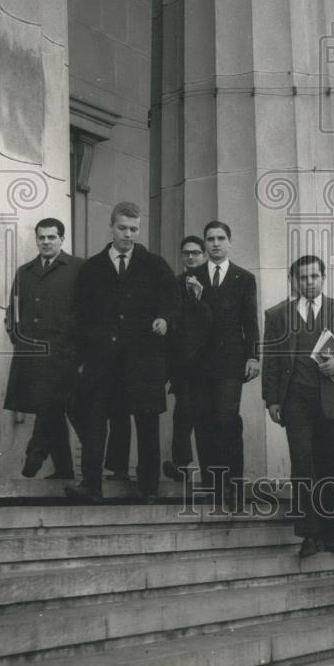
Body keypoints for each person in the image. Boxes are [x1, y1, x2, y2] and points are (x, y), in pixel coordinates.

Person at [65, 201, 176, 503]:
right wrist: (84, 358)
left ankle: (149, 488)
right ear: (111, 226)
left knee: (147, 424)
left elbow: (174, 301)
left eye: (134, 229)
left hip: (144, 362)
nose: (128, 234)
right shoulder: (92, 267)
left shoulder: (154, 265)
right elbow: (80, 314)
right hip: (103, 363)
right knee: (95, 421)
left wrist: (165, 319)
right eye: (123, 228)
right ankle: (91, 484)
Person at [262, 255, 334, 558]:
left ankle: (329, 532)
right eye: (302, 278)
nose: (308, 283)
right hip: (296, 399)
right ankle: (308, 534)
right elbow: (271, 359)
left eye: (313, 277)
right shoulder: (278, 315)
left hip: (331, 399)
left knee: (329, 466)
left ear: (323, 278)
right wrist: (271, 399)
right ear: (293, 281)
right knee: (302, 462)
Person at [4, 218, 84, 480]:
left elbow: (86, 312)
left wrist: (74, 345)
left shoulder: (78, 268)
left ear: (62, 239)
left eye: (52, 237)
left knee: (51, 404)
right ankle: (63, 471)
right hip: (31, 354)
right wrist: (16, 335)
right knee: (50, 406)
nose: (47, 242)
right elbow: (12, 310)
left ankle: (37, 448)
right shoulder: (25, 271)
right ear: (36, 239)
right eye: (42, 237)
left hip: (64, 354)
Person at [191, 221, 260, 508]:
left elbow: (250, 321)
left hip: (231, 361)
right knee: (203, 420)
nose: (215, 243)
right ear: (205, 244)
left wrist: (254, 356)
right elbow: (186, 322)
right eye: (210, 239)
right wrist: (194, 298)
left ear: (230, 242)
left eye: (221, 238)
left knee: (226, 417)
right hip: (199, 362)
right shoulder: (190, 277)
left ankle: (232, 485)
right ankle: (211, 484)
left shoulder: (243, 278)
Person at [162, 236, 213, 481]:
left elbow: (214, 325)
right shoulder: (175, 283)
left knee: (206, 421)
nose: (191, 257)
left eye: (195, 252)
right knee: (182, 416)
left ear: (204, 254)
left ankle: (210, 474)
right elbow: (175, 321)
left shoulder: (212, 282)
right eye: (186, 253)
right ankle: (181, 466)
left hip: (209, 365)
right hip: (183, 365)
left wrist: (198, 299)